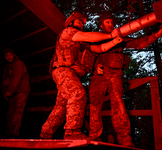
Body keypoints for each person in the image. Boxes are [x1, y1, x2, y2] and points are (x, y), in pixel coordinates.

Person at [40, 11, 123, 140]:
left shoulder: (81, 43)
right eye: (80, 21)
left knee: (61, 106)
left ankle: (46, 133)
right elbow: (89, 36)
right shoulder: (68, 32)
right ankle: (72, 133)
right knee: (78, 93)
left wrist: (114, 41)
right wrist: (110, 35)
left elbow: (99, 48)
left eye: (83, 23)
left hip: (70, 74)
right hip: (63, 71)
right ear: (71, 22)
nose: (82, 24)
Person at [88, 12, 162, 147]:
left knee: (118, 103)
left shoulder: (120, 38)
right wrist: (95, 66)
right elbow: (88, 53)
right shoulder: (96, 38)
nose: (110, 24)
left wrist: (155, 36)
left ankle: (125, 138)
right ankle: (94, 136)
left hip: (115, 74)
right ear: (101, 25)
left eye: (111, 22)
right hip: (98, 75)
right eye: (107, 22)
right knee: (95, 105)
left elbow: (138, 42)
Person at [2, 48, 30, 138]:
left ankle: (14, 135)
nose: (9, 57)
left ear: (14, 55)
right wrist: (5, 92)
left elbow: (16, 78)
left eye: (10, 55)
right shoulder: (7, 67)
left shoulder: (19, 63)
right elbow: (4, 81)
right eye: (6, 56)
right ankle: (8, 133)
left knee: (17, 113)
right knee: (10, 114)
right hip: (13, 93)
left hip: (21, 91)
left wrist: (9, 91)